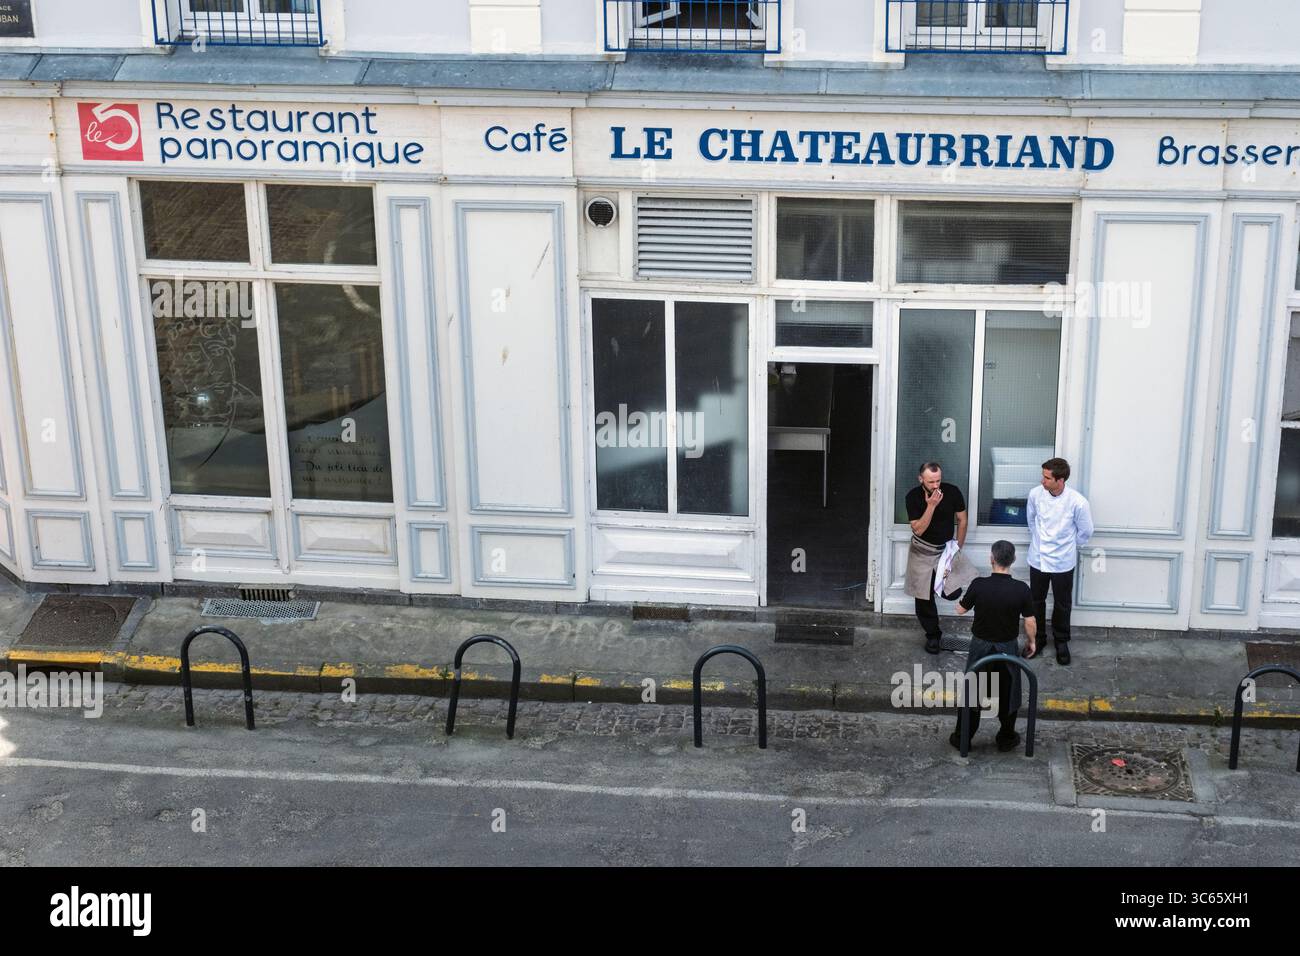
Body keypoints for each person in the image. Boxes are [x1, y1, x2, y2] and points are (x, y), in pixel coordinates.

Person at [949, 540, 1037, 754]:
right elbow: (1030, 621)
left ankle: (963, 738)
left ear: (991, 559)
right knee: (1009, 694)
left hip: (981, 648)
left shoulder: (979, 585)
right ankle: (1006, 738)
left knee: (972, 694)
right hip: (1007, 649)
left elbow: (960, 610)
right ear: (1013, 560)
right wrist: (1032, 641)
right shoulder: (1021, 589)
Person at [1026, 457, 1094, 666]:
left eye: (1047, 478)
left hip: (1063, 561)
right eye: (1043, 476)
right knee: (1035, 601)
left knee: (1062, 604)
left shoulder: (1078, 502)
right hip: (1038, 558)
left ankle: (1061, 642)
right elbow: (1031, 521)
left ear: (1060, 480)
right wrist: (1039, 540)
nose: (1042, 481)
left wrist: (1067, 546)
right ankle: (1037, 640)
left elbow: (1086, 532)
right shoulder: (1035, 494)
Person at [904, 462, 976, 655]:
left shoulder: (952, 492)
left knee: (952, 591)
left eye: (938, 480)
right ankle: (933, 636)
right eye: (931, 481)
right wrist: (931, 506)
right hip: (922, 550)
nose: (936, 485)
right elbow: (918, 529)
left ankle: (936, 586)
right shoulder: (912, 496)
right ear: (921, 479)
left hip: (945, 550)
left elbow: (962, 520)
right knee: (923, 597)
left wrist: (957, 548)